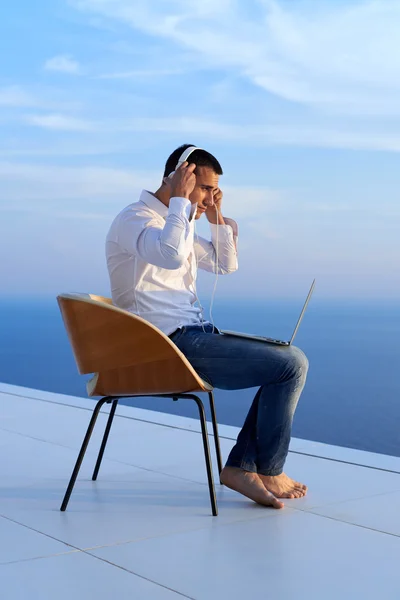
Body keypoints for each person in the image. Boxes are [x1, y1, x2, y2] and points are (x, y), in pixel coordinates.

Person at [106, 144, 309, 509]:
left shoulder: (178, 223)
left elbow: (224, 264)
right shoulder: (135, 219)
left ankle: (243, 467)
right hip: (162, 345)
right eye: (205, 188)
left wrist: (215, 216)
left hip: (193, 337)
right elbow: (168, 256)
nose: (209, 196)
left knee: (286, 359)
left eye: (215, 190)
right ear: (181, 176)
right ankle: (263, 469)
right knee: (290, 365)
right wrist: (183, 202)